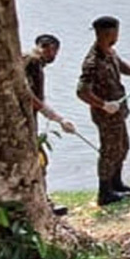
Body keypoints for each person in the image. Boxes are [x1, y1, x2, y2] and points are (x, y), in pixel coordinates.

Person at [76, 16, 130, 206]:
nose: (117, 36)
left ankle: (116, 184)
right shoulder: (92, 61)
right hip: (105, 115)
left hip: (118, 112)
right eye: (115, 33)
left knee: (122, 146)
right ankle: (104, 193)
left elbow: (121, 65)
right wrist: (103, 104)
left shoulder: (110, 52)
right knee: (109, 151)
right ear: (106, 33)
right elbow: (81, 91)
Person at [23, 34, 76, 216]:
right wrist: (58, 118)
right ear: (50, 48)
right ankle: (43, 205)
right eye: (55, 52)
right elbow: (28, 96)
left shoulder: (29, 60)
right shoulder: (34, 62)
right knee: (39, 162)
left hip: (27, 121)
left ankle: (40, 203)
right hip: (23, 124)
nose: (55, 56)